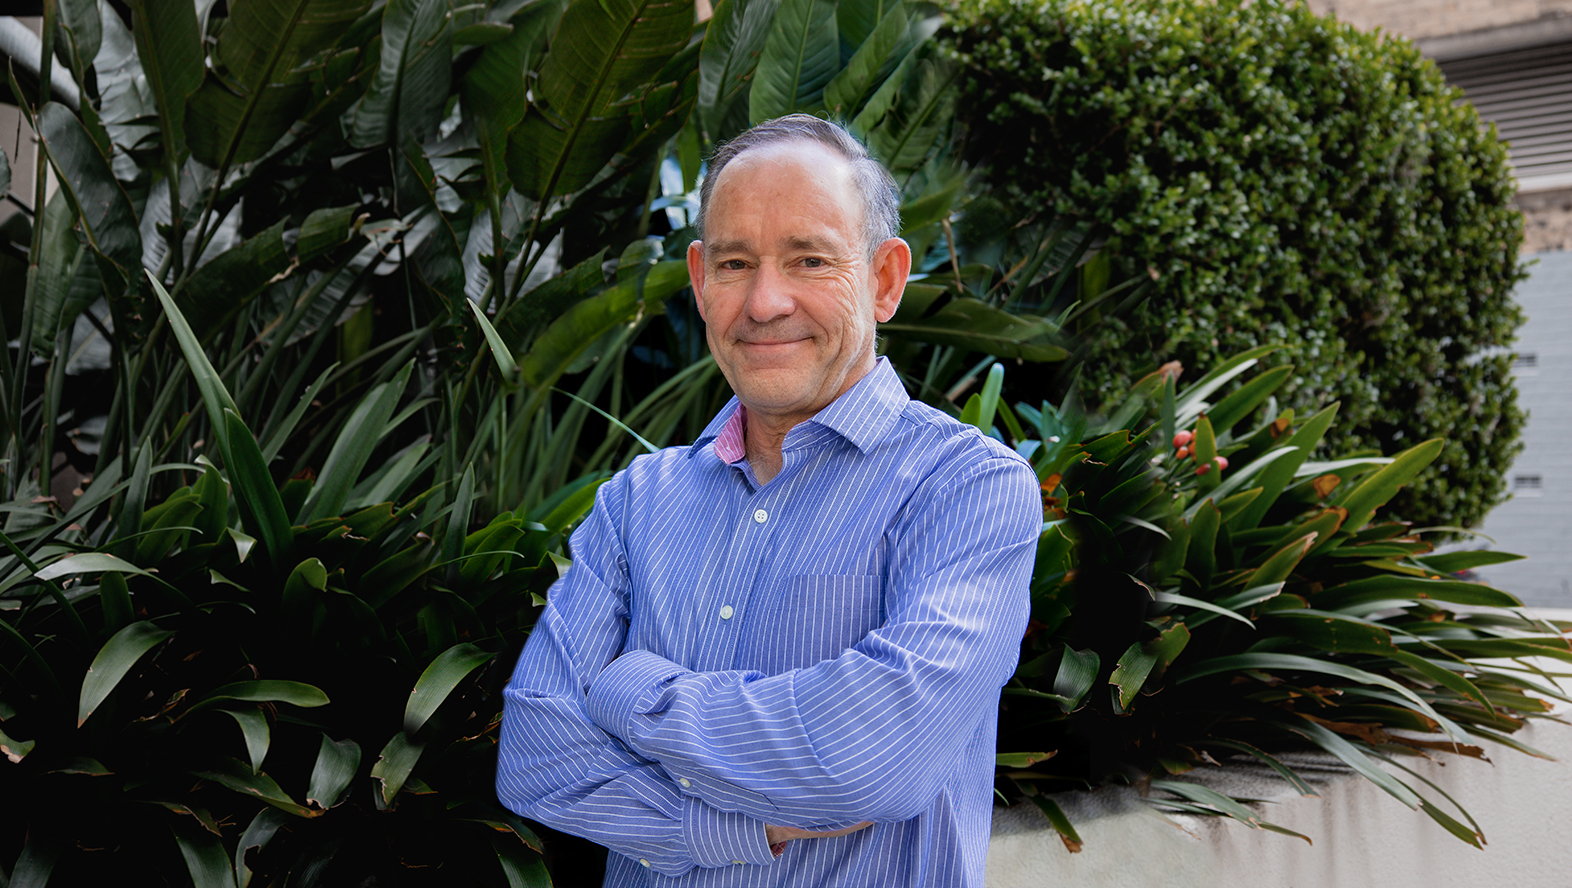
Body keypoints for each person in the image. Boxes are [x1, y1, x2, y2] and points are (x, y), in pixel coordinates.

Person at [496, 114, 1040, 887]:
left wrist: (630, 690)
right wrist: (732, 828)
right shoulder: (636, 502)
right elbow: (535, 759)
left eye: (810, 259)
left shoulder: (966, 490)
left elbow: (871, 764)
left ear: (884, 280)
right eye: (735, 263)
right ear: (698, 279)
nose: (764, 301)